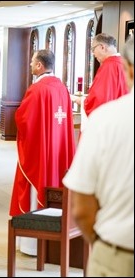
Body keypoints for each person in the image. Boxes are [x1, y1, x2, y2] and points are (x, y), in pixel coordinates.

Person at [63, 36, 134, 277]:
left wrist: (101, 242)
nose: (93, 54)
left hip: (120, 250)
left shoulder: (109, 68)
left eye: (94, 49)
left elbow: (82, 207)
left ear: (129, 69)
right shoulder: (115, 67)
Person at [9, 49, 76, 254]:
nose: (30, 65)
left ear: (39, 65)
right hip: (58, 150)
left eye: (32, 62)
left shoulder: (37, 89)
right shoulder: (62, 88)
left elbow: (23, 119)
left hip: (40, 151)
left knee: (37, 185)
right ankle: (51, 247)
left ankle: (32, 246)